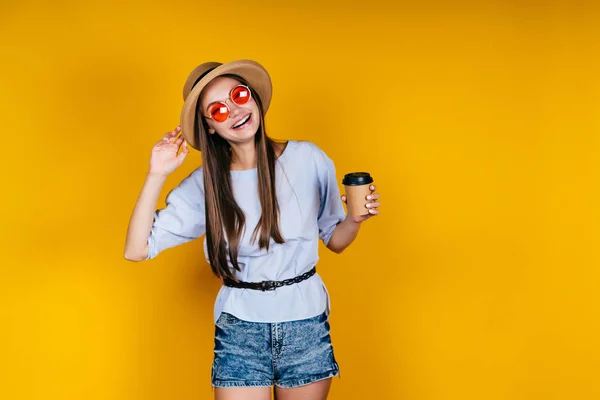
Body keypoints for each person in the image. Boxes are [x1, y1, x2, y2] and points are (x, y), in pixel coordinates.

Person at [124, 60, 381, 400]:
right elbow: (136, 249)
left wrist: (354, 221)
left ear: (255, 99)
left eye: (238, 95)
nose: (233, 110)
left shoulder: (308, 159)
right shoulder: (206, 185)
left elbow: (335, 240)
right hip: (239, 330)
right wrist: (156, 173)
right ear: (210, 127)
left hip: (305, 322)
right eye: (217, 109)